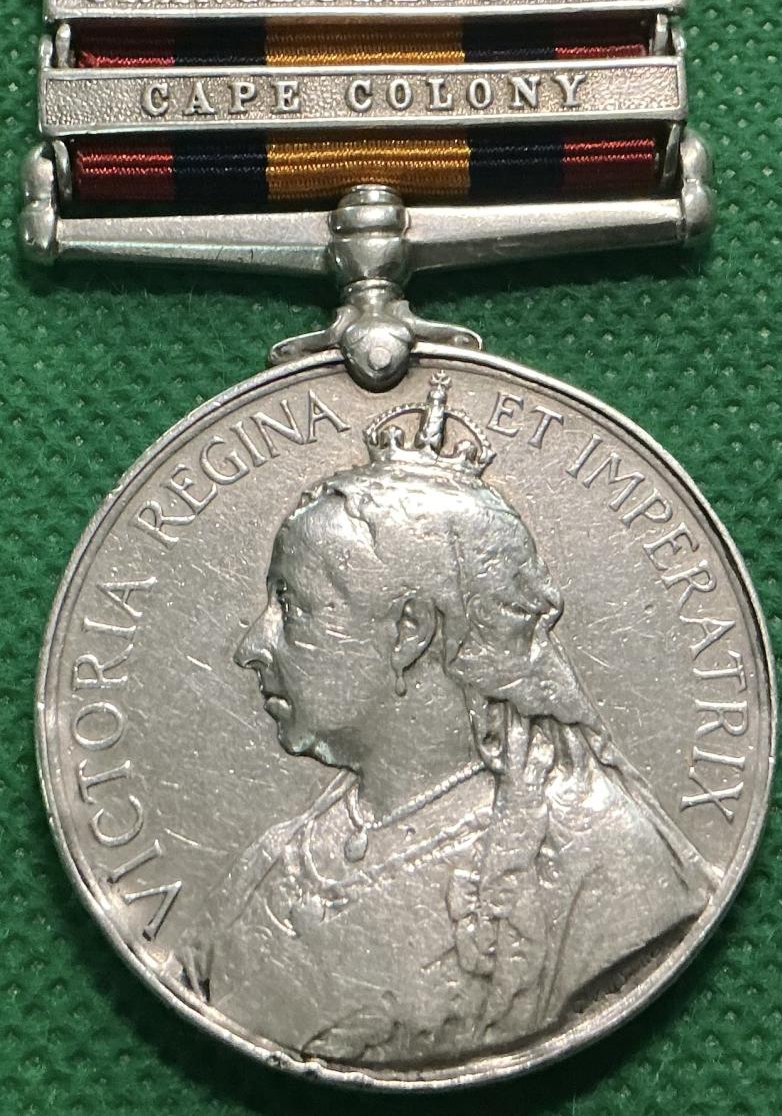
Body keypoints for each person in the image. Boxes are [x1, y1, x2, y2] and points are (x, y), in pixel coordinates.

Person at [178, 375, 710, 1066]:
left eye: (292, 605)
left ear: (411, 631)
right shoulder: (268, 868)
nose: (252, 646)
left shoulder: (604, 866)